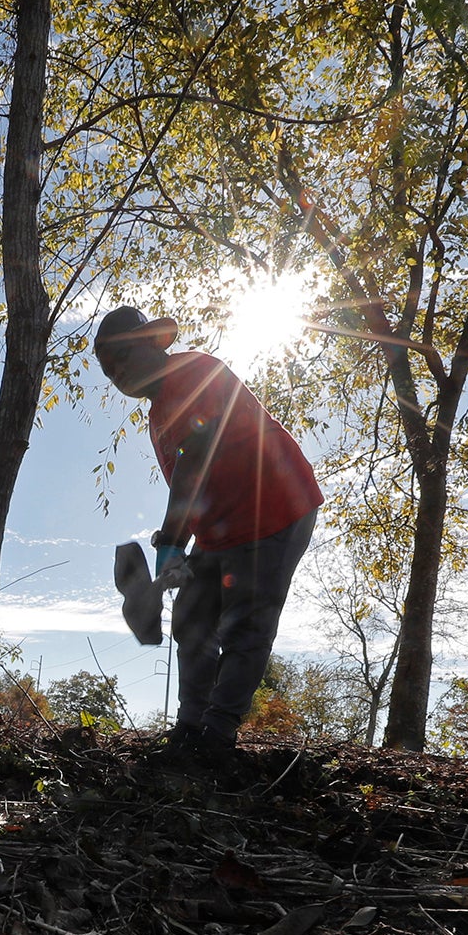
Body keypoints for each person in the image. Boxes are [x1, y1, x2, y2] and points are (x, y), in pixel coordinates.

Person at [94, 306, 323, 754]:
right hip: (221, 528)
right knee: (192, 619)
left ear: (151, 342)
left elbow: (195, 459)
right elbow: (193, 479)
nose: (116, 373)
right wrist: (177, 539)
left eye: (119, 357)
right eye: (107, 369)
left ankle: (216, 735)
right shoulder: (157, 409)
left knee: (247, 623)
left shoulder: (196, 372)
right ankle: (190, 725)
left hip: (277, 508)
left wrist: (174, 540)